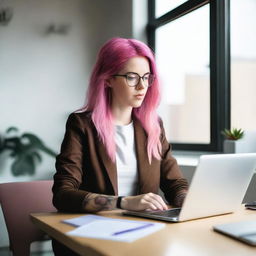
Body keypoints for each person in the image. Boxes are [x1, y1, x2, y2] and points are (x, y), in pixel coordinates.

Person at [52, 37, 188, 255]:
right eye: (131, 77)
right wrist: (124, 202)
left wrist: (189, 201)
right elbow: (63, 193)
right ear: (107, 79)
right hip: (94, 237)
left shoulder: (153, 125)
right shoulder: (82, 125)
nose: (142, 86)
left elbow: (175, 183)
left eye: (146, 77)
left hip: (145, 234)